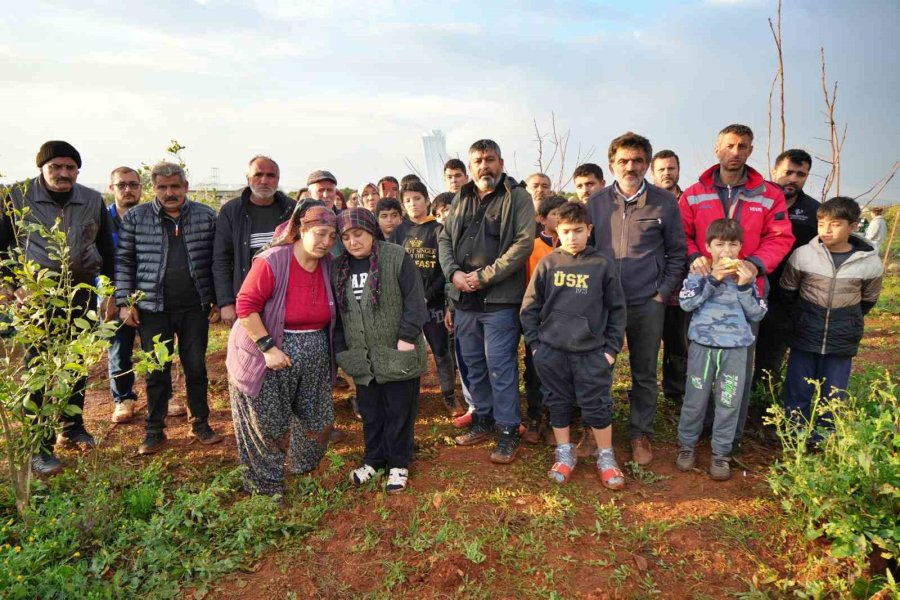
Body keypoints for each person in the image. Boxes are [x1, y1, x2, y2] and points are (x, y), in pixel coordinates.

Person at [0, 141, 115, 475]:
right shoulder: (17, 196)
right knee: (40, 370)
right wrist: (11, 283)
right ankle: (39, 445)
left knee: (77, 362)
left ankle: (73, 427)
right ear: (42, 169)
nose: (64, 173)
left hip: (80, 296)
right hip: (36, 299)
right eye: (56, 167)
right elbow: (2, 245)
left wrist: (107, 292)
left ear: (78, 170)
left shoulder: (92, 199)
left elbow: (105, 248)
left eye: (70, 167)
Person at [680, 124, 795, 452]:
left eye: (743, 146)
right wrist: (694, 258)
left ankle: (729, 438)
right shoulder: (694, 193)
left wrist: (755, 264)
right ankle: (698, 429)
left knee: (738, 367)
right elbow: (682, 235)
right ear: (717, 149)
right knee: (700, 363)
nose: (736, 152)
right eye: (729, 145)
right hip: (705, 290)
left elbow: (781, 236)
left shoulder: (768, 194)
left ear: (750, 150)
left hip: (747, 291)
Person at [586, 132, 687, 466]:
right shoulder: (597, 203)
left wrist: (662, 292)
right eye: (623, 161)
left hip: (647, 302)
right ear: (612, 164)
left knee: (644, 372)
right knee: (600, 369)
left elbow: (677, 253)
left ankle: (640, 432)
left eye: (638, 161)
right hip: (604, 304)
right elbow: (586, 250)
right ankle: (595, 428)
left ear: (647, 163)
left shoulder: (664, 202)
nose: (630, 167)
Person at [226, 206, 338, 497]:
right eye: (320, 233)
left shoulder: (329, 263)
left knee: (319, 418)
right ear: (301, 230)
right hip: (269, 349)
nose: (326, 241)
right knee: (267, 425)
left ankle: (302, 467)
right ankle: (265, 490)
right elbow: (246, 306)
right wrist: (268, 348)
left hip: (314, 348)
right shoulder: (273, 260)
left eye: (332, 235)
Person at [116, 162, 223, 455]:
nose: (169, 193)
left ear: (185, 187)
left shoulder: (205, 216)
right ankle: (154, 431)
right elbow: (124, 261)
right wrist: (125, 302)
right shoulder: (137, 218)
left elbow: (216, 260)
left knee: (196, 368)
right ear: (154, 189)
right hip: (153, 309)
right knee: (156, 372)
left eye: (175, 186)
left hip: (194, 309)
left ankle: (200, 423)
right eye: (162, 187)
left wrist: (216, 298)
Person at [438, 139, 534, 464]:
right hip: (464, 300)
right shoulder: (461, 197)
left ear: (501, 163)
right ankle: (483, 420)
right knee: (473, 365)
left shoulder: (517, 197)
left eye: (489, 159)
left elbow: (523, 244)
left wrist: (484, 275)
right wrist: (453, 275)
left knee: (500, 366)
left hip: (500, 301)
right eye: (477, 161)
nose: (484, 166)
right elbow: (445, 240)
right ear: (470, 166)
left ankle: (508, 430)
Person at [521, 201, 627, 488]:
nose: (572, 237)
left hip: (592, 353)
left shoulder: (601, 264)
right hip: (552, 352)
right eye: (566, 231)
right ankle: (565, 453)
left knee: (597, 405)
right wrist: (536, 347)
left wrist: (610, 351)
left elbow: (617, 310)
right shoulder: (548, 263)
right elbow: (529, 308)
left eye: (578, 230)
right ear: (558, 231)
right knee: (557, 402)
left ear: (589, 230)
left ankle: (606, 457)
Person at [332, 208, 428, 494]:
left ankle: (398, 463)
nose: (353, 242)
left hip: (397, 350)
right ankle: (374, 458)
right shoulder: (338, 267)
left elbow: (414, 300)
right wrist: (342, 350)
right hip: (362, 355)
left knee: (399, 410)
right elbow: (337, 313)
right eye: (346, 236)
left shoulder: (396, 256)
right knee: (371, 411)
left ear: (372, 231)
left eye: (358, 234)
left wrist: (406, 339)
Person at [780, 197, 883, 434]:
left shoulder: (869, 263)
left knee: (834, 391)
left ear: (854, 226)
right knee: (799, 386)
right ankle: (794, 432)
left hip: (842, 335)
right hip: (805, 331)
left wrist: (847, 319)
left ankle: (825, 436)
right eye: (821, 223)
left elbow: (868, 300)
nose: (826, 229)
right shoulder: (804, 255)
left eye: (835, 224)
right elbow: (788, 290)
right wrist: (803, 316)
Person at [676, 219, 768, 481]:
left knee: (729, 401)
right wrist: (713, 280)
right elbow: (687, 304)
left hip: (735, 351)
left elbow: (758, 313)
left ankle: (721, 452)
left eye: (733, 244)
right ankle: (687, 445)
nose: (726, 250)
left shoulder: (748, 278)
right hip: (702, 348)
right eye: (719, 244)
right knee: (695, 399)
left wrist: (742, 286)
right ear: (707, 247)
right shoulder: (698, 275)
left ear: (741, 247)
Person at [753, 149, 820, 391]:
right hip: (749, 287)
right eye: (788, 172)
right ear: (774, 171)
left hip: (786, 297)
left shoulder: (814, 212)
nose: (793, 178)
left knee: (770, 356)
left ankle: (761, 404)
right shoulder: (754, 201)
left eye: (800, 174)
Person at [399, 181, 462, 415]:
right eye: (407, 200)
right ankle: (410, 397)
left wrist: (429, 295)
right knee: (408, 352)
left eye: (417, 198)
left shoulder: (438, 230)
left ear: (426, 200)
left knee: (441, 351)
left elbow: (445, 269)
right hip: (406, 306)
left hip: (432, 303)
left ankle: (448, 394)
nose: (413, 203)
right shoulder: (399, 231)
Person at [213, 156, 295, 328]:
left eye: (270, 175)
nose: (264, 180)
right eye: (258, 174)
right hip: (247, 298)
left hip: (286, 297)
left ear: (277, 180)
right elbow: (221, 260)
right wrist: (226, 302)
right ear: (248, 179)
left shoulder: (292, 209)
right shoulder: (231, 211)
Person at [522, 194, 566, 445]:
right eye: (554, 214)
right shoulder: (533, 247)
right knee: (535, 369)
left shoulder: (572, 246)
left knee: (560, 372)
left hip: (566, 322)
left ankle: (554, 418)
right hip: (539, 321)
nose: (559, 219)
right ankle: (535, 416)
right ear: (541, 218)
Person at [651, 150, 689, 405]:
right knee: (646, 346)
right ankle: (644, 393)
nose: (667, 173)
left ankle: (675, 395)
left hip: (681, 288)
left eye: (671, 168)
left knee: (678, 345)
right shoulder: (647, 201)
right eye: (662, 169)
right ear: (653, 173)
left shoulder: (690, 201)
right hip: (649, 288)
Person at [107, 166, 144, 423]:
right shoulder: (100, 219)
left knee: (157, 347)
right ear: (112, 188)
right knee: (119, 350)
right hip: (112, 293)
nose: (128, 189)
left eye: (133, 184)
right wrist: (107, 296)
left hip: (148, 293)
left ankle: (166, 395)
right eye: (122, 185)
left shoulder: (150, 217)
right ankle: (123, 399)